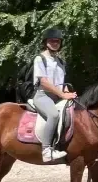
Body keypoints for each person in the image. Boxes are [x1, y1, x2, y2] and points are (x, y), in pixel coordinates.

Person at [33, 27, 77, 163]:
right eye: (52, 41)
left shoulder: (61, 61)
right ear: (46, 42)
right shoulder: (40, 59)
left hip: (58, 96)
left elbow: (61, 83)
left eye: (57, 41)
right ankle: (46, 150)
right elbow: (44, 82)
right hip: (43, 96)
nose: (55, 43)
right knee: (53, 115)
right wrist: (62, 95)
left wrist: (67, 92)